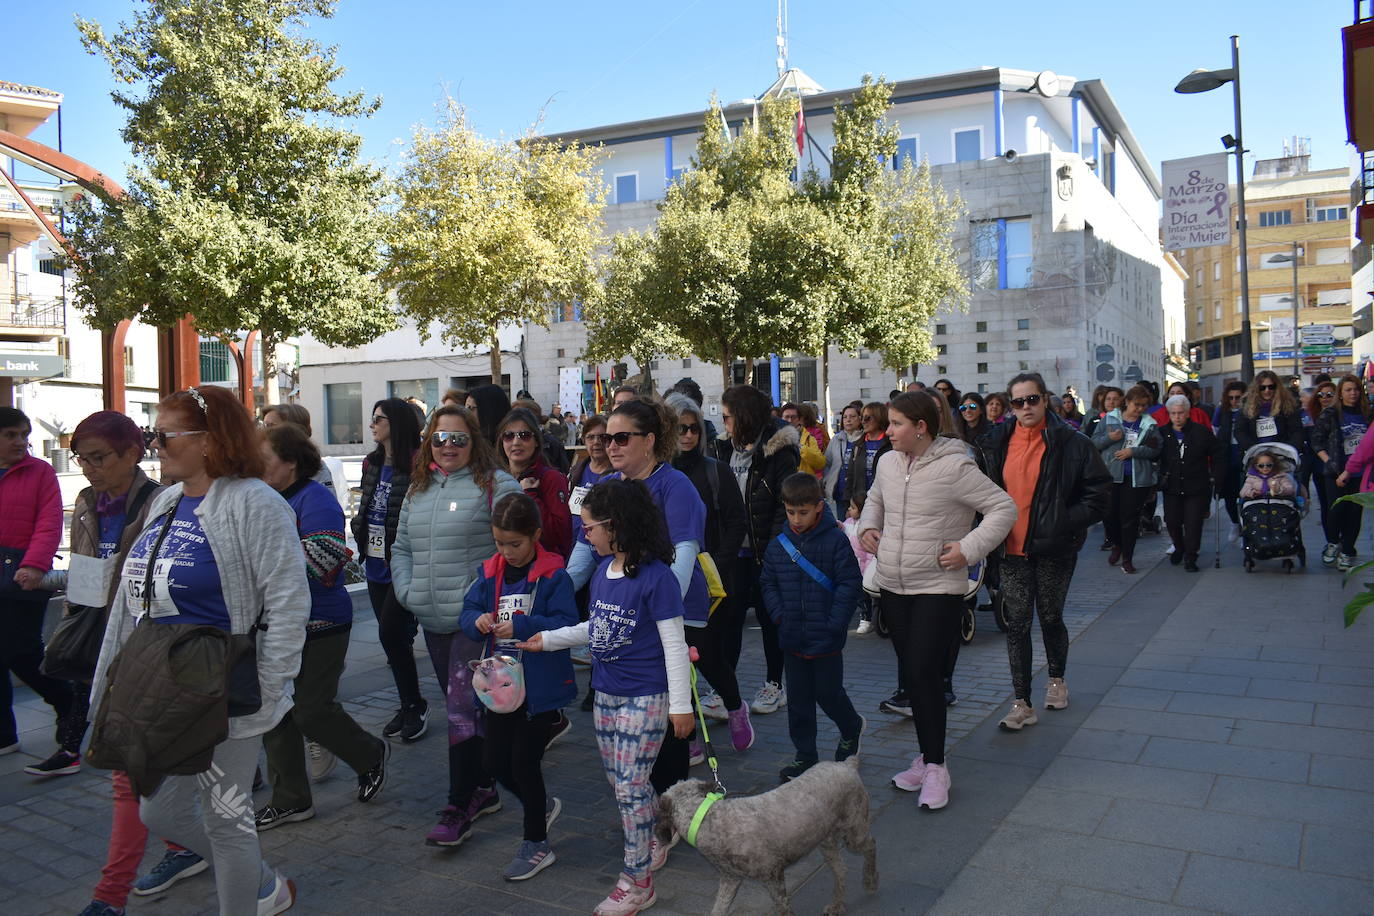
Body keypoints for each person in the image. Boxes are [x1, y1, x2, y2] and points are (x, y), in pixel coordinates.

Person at [89, 386, 307, 915]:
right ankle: (262, 884)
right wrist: (105, 687)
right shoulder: (167, 501)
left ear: (209, 442)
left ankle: (250, 897)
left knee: (226, 820)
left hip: (223, 692)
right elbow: (128, 601)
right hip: (165, 684)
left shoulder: (257, 503)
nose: (153, 445)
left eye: (163, 436)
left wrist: (268, 689)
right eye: (152, 435)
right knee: (158, 813)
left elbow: (288, 602)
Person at [516, 479, 693, 915]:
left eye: (590, 526)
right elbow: (595, 630)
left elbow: (674, 644)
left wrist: (681, 706)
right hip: (606, 695)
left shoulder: (658, 578)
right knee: (622, 786)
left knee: (631, 788)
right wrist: (547, 639)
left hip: (645, 696)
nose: (585, 534)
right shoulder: (602, 573)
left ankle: (636, 882)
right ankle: (654, 835)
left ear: (616, 526)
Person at [563, 399, 735, 815]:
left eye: (622, 438)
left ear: (651, 441)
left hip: (672, 611)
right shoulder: (608, 488)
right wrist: (552, 594)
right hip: (624, 612)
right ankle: (647, 802)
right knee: (643, 711)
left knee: (668, 706)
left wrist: (646, 609)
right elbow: (585, 551)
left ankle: (669, 807)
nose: (611, 447)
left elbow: (682, 555)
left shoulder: (675, 486)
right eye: (606, 439)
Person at [63, 413, 198, 916]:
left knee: (131, 777)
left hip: (151, 651)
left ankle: (109, 896)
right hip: (99, 645)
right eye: (81, 457)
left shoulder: (161, 502)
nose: (88, 468)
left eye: (98, 457)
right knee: (150, 777)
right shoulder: (85, 502)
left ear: (131, 454)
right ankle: (183, 846)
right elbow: (85, 573)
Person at [858, 393, 1015, 809]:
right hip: (893, 583)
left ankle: (936, 767)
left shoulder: (956, 465)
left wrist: (969, 548)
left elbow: (1002, 508)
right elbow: (875, 498)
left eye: (895, 424)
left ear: (921, 427)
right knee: (913, 676)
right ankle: (926, 758)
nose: (886, 432)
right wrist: (868, 527)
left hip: (938, 587)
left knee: (926, 675)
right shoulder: (889, 463)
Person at [390, 405, 521, 847]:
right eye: (440, 438)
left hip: (474, 622)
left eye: (459, 439)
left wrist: (483, 601)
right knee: (465, 705)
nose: (448, 446)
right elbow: (402, 547)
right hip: (431, 616)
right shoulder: (418, 488)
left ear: (475, 442)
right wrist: (408, 591)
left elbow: (515, 549)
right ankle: (483, 787)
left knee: (463, 708)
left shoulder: (496, 485)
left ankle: (458, 802)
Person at [256, 424, 390, 830]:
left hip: (321, 620)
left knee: (311, 712)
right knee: (275, 714)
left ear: (291, 463)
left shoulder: (315, 498)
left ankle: (369, 755)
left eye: (266, 459)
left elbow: (323, 558)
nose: (257, 466)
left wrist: (255, 563)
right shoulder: (263, 498)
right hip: (272, 623)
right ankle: (291, 799)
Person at [459, 492, 578, 881]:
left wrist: (524, 625)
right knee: (493, 762)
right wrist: (477, 620)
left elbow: (566, 621)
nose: (506, 551)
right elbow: (467, 611)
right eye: (499, 543)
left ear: (535, 536)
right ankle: (538, 804)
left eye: (515, 543)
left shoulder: (553, 575)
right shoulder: (489, 572)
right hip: (500, 686)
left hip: (539, 687)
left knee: (525, 763)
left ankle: (536, 844)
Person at [983, 373, 1110, 732]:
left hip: (1054, 548)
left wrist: (1064, 521)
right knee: (1017, 624)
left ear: (1045, 399)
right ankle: (1021, 701)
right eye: (1018, 402)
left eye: (1032, 399)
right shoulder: (995, 442)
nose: (1026, 407)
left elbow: (1099, 494)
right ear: (1011, 406)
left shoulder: (1072, 442)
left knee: (1051, 617)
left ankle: (1057, 679)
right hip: (1011, 550)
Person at [760, 473, 866, 783]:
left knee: (829, 693)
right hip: (792, 636)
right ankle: (805, 755)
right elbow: (768, 583)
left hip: (827, 637)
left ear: (819, 507)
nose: (796, 518)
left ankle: (850, 728)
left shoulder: (835, 540)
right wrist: (780, 616)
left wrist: (836, 623)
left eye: (803, 512)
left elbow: (850, 583)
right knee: (799, 702)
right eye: (791, 511)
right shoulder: (778, 546)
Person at [665, 392, 749, 745]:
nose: (687, 435)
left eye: (693, 429)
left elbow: (735, 522)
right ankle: (691, 731)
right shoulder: (659, 475)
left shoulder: (717, 471)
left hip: (709, 583)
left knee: (708, 656)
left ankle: (734, 707)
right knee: (676, 658)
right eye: (680, 428)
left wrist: (717, 562)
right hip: (668, 580)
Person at [716, 385, 801, 717]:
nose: (723, 422)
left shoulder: (779, 450)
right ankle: (725, 688)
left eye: (727, 416)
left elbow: (785, 504)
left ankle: (774, 685)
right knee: (729, 620)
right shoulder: (723, 448)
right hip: (732, 551)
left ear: (744, 416)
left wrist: (777, 548)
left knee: (770, 620)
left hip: (767, 549)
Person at [352, 398, 429, 742]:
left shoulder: (418, 463)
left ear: (395, 423)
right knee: (394, 641)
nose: (372, 425)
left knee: (390, 633)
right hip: (374, 560)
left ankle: (415, 704)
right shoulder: (371, 462)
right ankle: (408, 702)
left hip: (403, 562)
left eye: (378, 419)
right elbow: (368, 504)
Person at [0, 408, 73, 763]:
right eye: (10, 434)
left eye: (23, 434)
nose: (19, 441)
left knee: (22, 653)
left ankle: (67, 701)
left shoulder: (40, 472)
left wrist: (34, 565)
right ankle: (3, 735)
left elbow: (49, 522)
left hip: (23, 577)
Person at [1092, 384, 1162, 575]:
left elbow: (1156, 448)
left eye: (1144, 406)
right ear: (1127, 402)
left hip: (1137, 478)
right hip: (1111, 475)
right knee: (1110, 516)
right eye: (1137, 405)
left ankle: (1128, 558)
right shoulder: (1110, 419)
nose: (1140, 409)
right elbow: (1093, 442)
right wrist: (1110, 437)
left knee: (1130, 519)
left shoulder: (1149, 423)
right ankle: (1117, 545)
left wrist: (1134, 451)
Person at [567, 414, 613, 705]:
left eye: (603, 437)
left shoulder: (617, 472)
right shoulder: (578, 469)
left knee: (604, 617)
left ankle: (598, 685)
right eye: (591, 436)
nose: (596, 442)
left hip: (607, 554)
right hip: (580, 547)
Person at [1157, 395, 1225, 572]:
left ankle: (1191, 557)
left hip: (1196, 485)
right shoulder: (1162, 433)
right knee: (1171, 521)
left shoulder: (1201, 432)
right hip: (1172, 485)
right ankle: (1179, 546)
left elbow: (1218, 453)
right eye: (1173, 413)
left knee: (1193, 523)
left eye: (1180, 413)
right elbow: (1153, 455)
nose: (1177, 417)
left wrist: (1217, 477)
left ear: (1188, 413)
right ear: (1169, 414)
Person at [497, 407, 572, 558]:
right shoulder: (495, 479)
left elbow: (559, 535)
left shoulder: (551, 478)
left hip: (542, 570)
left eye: (524, 435)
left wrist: (530, 496)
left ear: (537, 441)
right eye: (509, 436)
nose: (516, 442)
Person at [1315, 374, 1372, 570]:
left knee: (1355, 513)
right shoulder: (1330, 414)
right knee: (1336, 510)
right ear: (1341, 393)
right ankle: (1333, 542)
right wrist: (1329, 462)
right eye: (1348, 390)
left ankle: (1347, 551)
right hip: (1336, 472)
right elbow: (1317, 442)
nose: (1353, 393)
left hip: (1361, 474)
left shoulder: (1368, 414)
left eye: (1356, 389)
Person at [260, 403, 348, 509]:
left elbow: (325, 507)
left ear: (293, 430)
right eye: (263, 425)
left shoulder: (315, 467)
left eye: (271, 426)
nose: (263, 431)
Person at [1212, 380, 1250, 540]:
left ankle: (1245, 528)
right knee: (1228, 496)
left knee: (1245, 496)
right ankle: (1235, 523)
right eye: (1231, 398)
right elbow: (1215, 431)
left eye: (1238, 397)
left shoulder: (1249, 412)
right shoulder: (1222, 411)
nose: (1234, 401)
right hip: (1226, 458)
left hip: (1245, 457)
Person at [1235, 369, 1304, 452]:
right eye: (1262, 388)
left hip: (1283, 454)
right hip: (1255, 454)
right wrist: (1255, 450)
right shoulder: (1246, 408)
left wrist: (1286, 450)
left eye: (1271, 387)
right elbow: (1240, 432)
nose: (1267, 390)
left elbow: (1297, 432)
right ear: (1257, 389)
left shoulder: (1288, 407)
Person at [823, 402, 864, 518]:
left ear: (860, 419)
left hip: (859, 493)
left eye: (852, 416)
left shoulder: (865, 438)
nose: (848, 420)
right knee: (843, 526)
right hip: (840, 491)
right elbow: (827, 463)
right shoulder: (836, 439)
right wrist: (828, 479)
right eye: (845, 417)